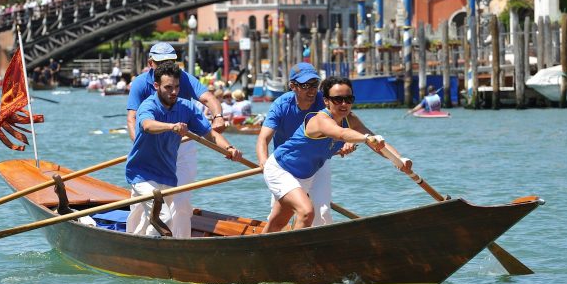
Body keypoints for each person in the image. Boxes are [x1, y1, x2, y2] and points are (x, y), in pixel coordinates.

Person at [262, 76, 410, 233]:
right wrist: (366, 139)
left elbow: (380, 145)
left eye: (348, 99)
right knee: (306, 212)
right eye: (338, 99)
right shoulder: (320, 119)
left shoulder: (351, 119)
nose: (344, 104)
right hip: (281, 169)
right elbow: (341, 133)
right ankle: (293, 255)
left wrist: (400, 160)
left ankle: (258, 252)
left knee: (278, 223)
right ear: (326, 101)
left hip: (305, 174)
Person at [126, 63, 243, 238]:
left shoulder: (186, 108)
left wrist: (229, 148)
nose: (173, 92)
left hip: (166, 174)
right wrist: (171, 127)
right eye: (168, 87)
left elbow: (210, 134)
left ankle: (136, 244)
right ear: (156, 86)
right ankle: (144, 251)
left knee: (165, 216)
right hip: (141, 174)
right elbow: (147, 125)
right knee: (163, 216)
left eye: (177, 87)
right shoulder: (148, 106)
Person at [256, 63, 359, 227]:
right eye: (305, 86)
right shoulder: (281, 105)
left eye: (314, 85)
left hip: (318, 162)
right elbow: (263, 138)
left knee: (321, 213)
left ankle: (309, 246)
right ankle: (274, 243)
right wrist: (263, 161)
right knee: (281, 217)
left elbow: (346, 123)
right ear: (292, 86)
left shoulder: (325, 101)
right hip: (286, 163)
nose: (311, 90)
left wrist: (347, 142)